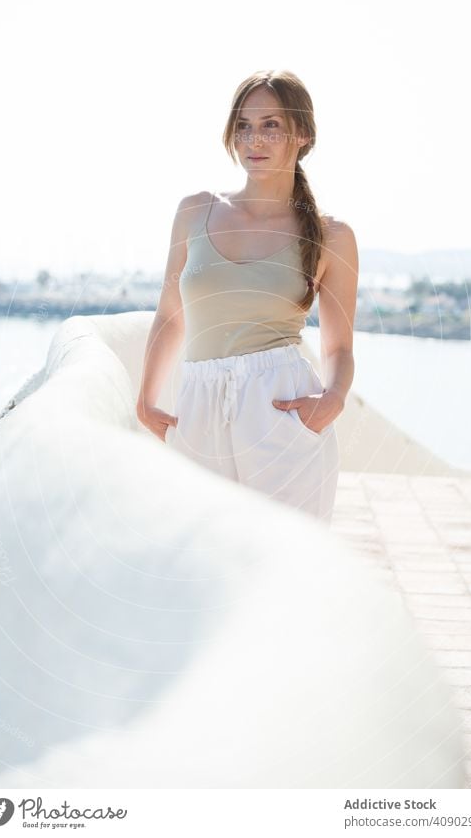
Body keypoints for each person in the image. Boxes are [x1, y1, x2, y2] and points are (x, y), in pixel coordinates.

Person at [136, 69, 359, 524]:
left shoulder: (332, 236)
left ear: (302, 134)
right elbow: (170, 316)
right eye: (243, 125)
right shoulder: (194, 210)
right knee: (197, 573)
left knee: (284, 574)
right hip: (197, 409)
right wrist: (145, 399)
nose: (253, 139)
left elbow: (338, 346)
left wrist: (332, 398)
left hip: (280, 411)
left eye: (270, 125)